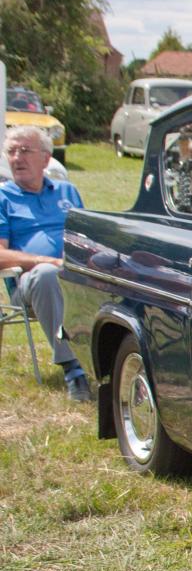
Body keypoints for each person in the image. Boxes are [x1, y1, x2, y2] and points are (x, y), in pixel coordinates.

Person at [0, 126, 90, 400]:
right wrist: (45, 260)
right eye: (11, 151)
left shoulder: (67, 192)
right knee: (47, 274)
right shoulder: (3, 198)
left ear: (46, 158)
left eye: (24, 150)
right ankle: (74, 370)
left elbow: (85, 237)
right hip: (27, 285)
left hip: (75, 276)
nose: (16, 158)